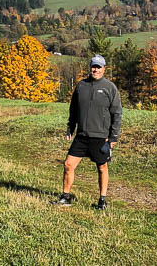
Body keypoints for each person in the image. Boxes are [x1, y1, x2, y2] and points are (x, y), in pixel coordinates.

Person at [52, 54, 122, 210]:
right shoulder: (81, 85)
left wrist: (113, 137)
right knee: (68, 165)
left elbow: (117, 113)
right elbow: (74, 109)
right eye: (93, 66)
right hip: (82, 136)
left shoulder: (110, 88)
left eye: (98, 67)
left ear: (104, 68)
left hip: (101, 137)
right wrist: (71, 127)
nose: (95, 69)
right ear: (90, 67)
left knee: (102, 167)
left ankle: (102, 200)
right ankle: (66, 197)